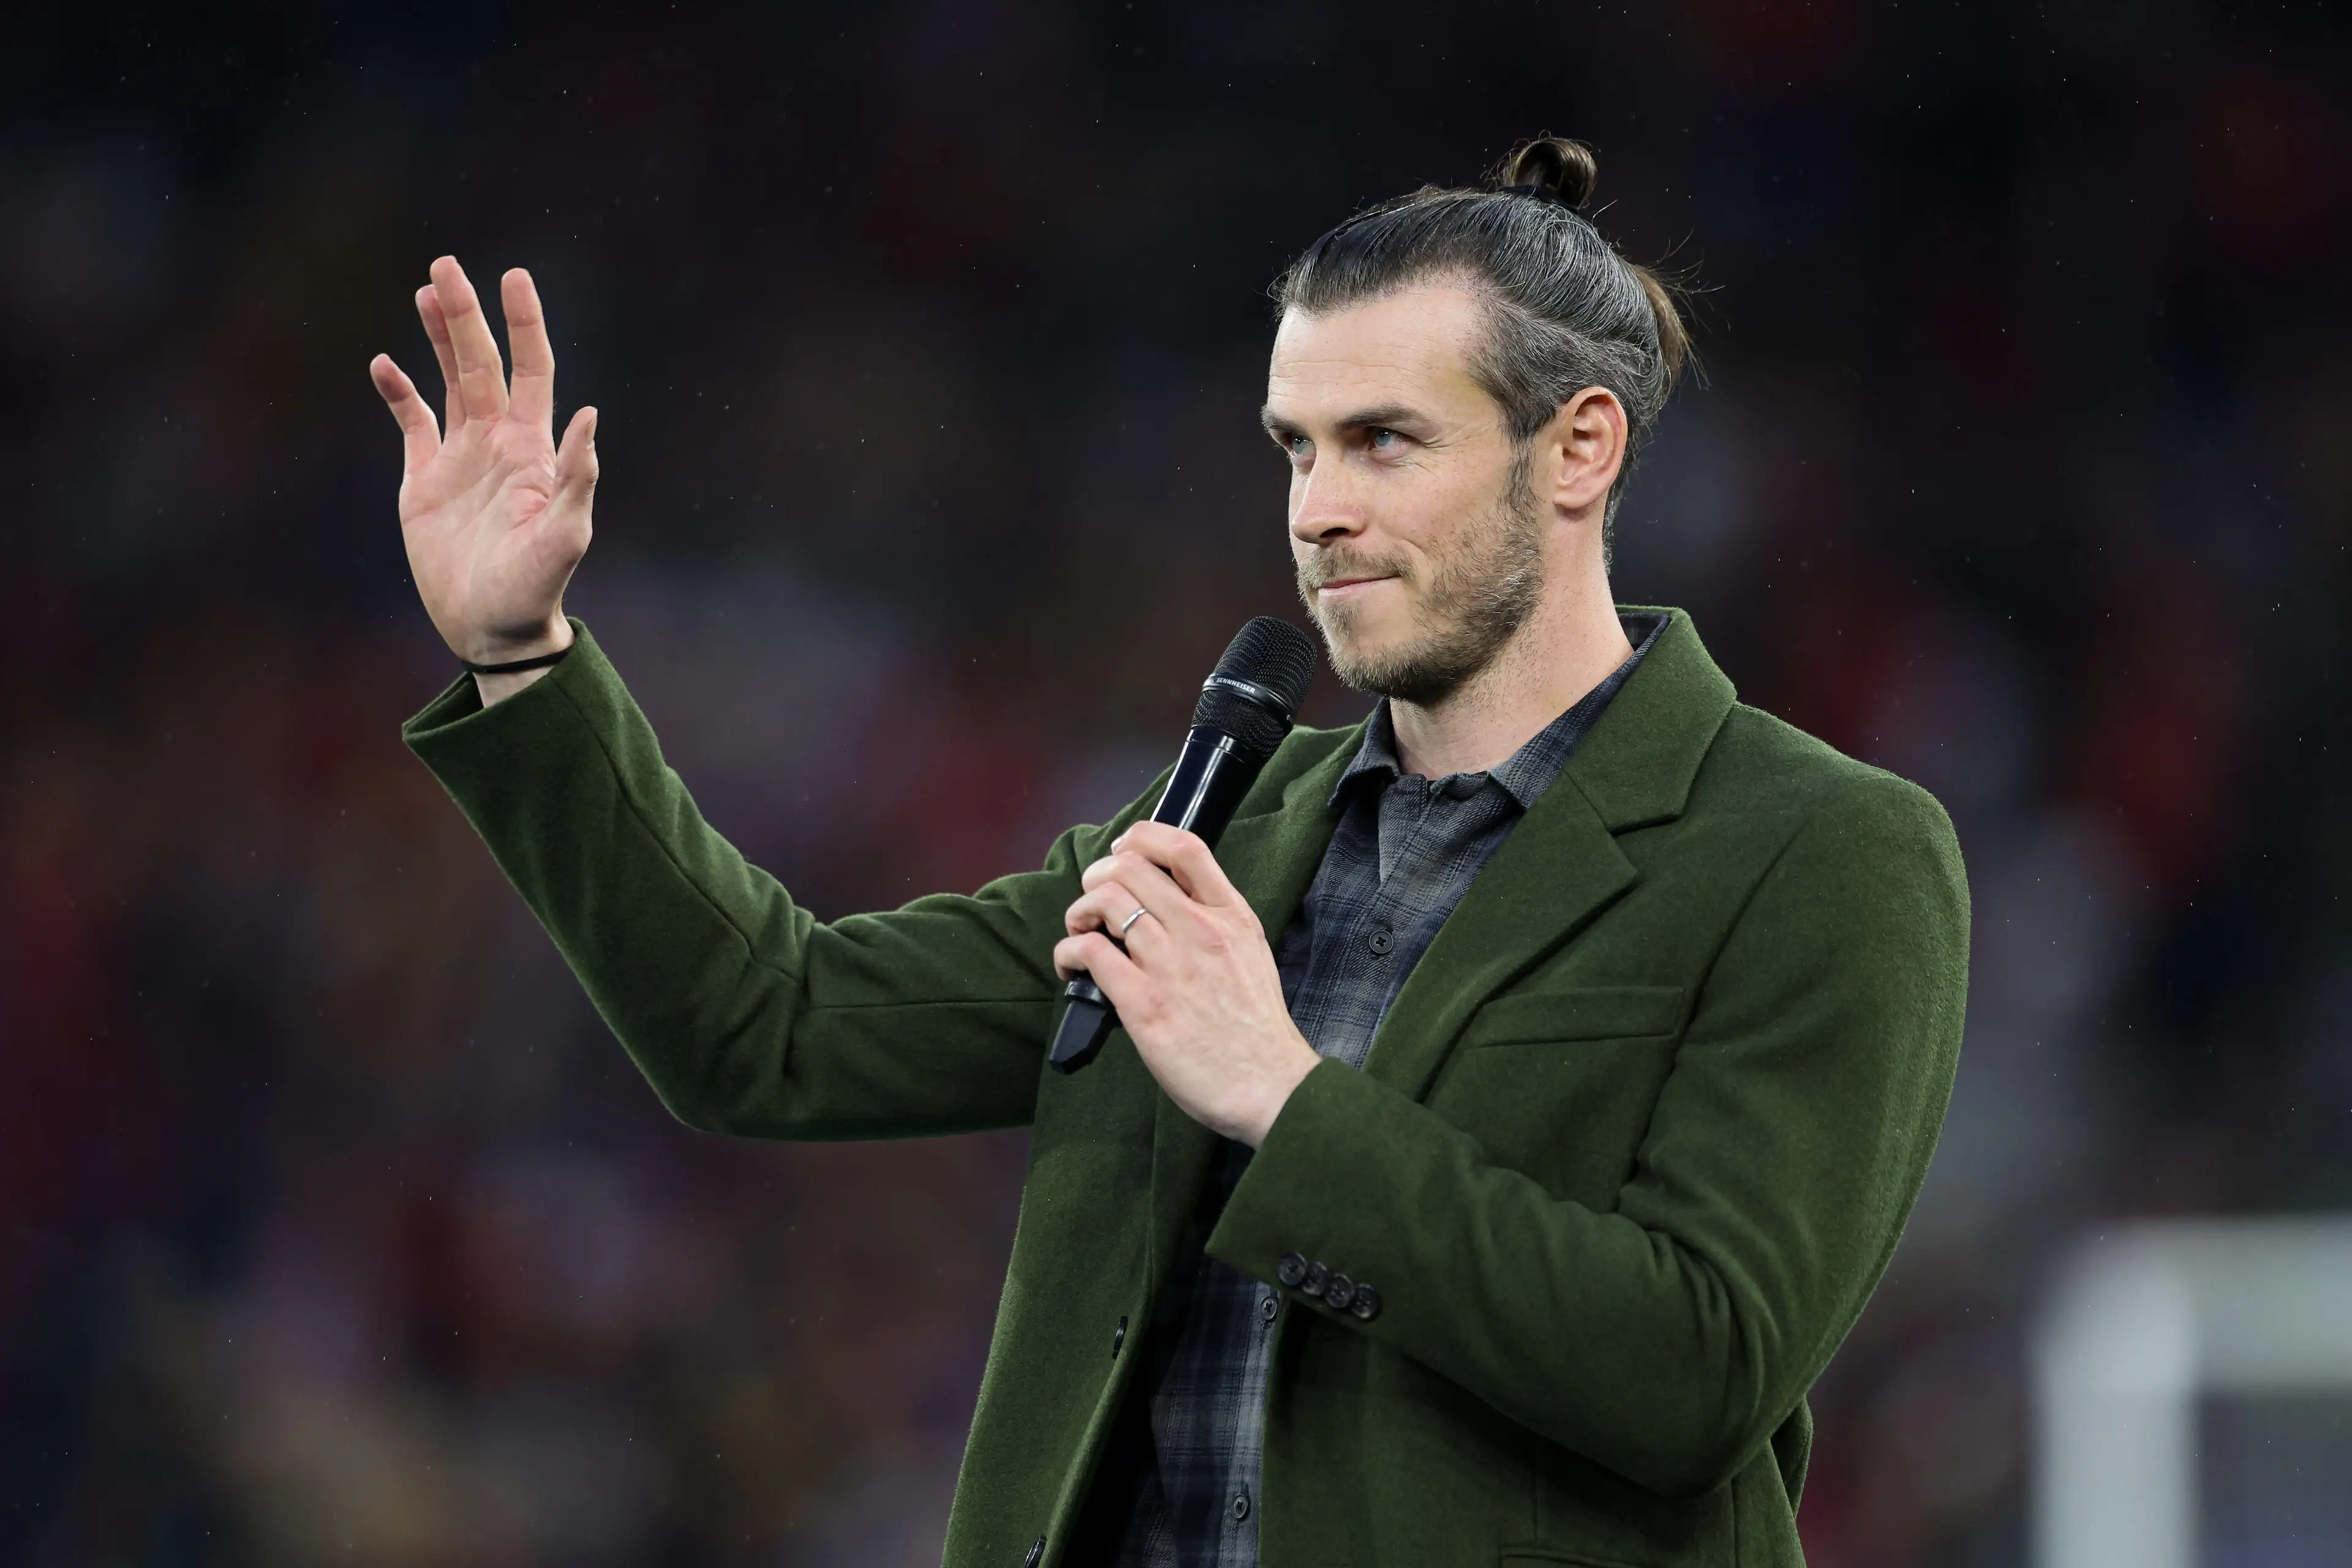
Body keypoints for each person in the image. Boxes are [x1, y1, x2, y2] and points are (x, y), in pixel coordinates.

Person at [373, 137, 1968, 1568]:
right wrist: (526, 657)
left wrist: (1283, 1101)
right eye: (1296, 447)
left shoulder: (1819, 853)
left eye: (1387, 441)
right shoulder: (1214, 835)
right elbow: (767, 1031)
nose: (1321, 510)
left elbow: (1692, 1372)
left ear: (1581, 450)